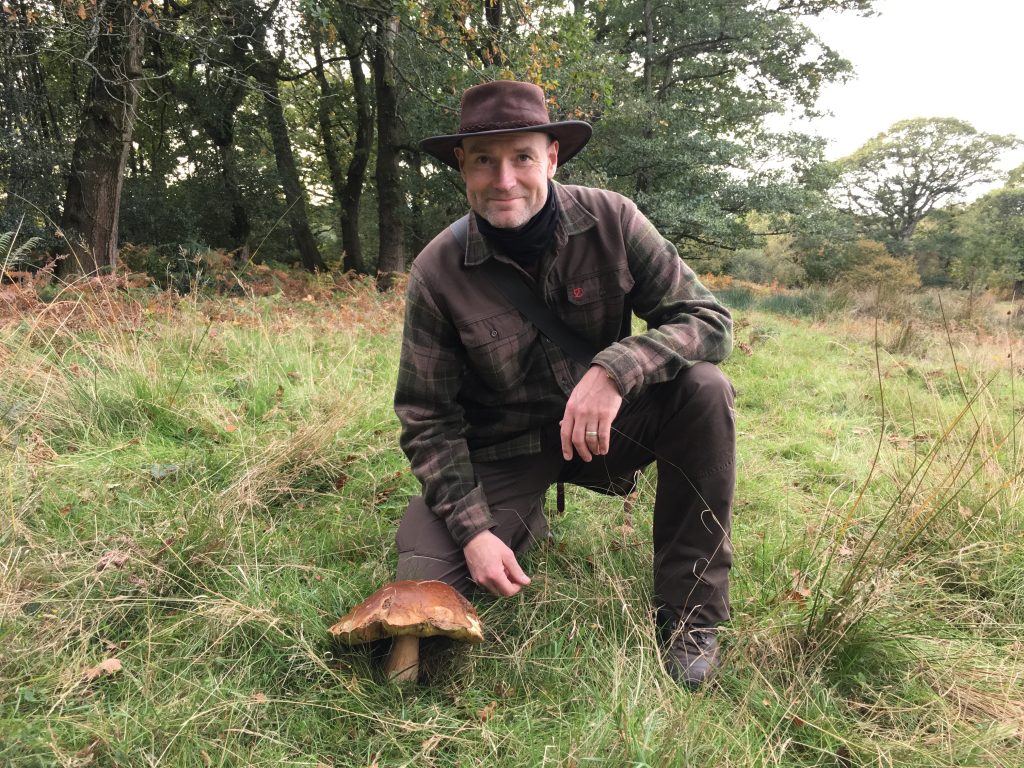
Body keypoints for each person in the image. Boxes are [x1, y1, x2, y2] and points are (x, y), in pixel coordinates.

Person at [392, 80, 735, 687]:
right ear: (462, 169)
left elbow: (707, 322)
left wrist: (616, 368)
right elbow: (427, 417)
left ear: (551, 158)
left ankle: (689, 618)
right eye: (483, 161)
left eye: (522, 157)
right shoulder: (436, 271)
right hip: (506, 447)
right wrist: (473, 532)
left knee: (704, 390)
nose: (504, 180)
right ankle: (513, 521)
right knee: (424, 593)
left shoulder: (613, 219)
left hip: (606, 429)